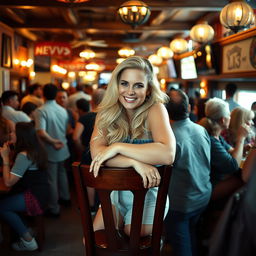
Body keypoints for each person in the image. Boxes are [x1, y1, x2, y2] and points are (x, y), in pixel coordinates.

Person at [90, 56, 176, 236]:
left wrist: (116, 147)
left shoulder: (155, 108)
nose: (130, 91)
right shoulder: (106, 113)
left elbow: (167, 154)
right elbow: (97, 154)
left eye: (138, 85)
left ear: (148, 88)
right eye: (124, 84)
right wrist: (134, 162)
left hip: (149, 195)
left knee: (132, 236)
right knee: (92, 240)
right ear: (116, 85)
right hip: (116, 194)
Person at [165, 89, 212, 256]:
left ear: (164, 111)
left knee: (182, 247)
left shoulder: (170, 139)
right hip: (203, 195)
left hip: (181, 203)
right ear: (189, 107)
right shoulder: (201, 129)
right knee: (191, 234)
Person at [0, 122, 48, 251]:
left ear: (21, 136)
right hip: (41, 192)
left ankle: (28, 240)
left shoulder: (24, 155)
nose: (11, 134)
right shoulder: (35, 148)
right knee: (7, 200)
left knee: (2, 207)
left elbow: (8, 182)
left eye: (14, 132)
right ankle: (27, 230)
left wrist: (4, 158)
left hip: (34, 196)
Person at [198, 98, 250, 197]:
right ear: (223, 120)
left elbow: (231, 151)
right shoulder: (211, 140)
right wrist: (241, 138)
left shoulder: (216, 136)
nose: (230, 117)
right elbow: (233, 165)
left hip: (213, 180)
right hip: (208, 186)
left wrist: (243, 149)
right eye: (229, 115)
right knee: (243, 180)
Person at [35, 83, 70, 217]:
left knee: (51, 179)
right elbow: (66, 129)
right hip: (63, 146)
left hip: (51, 148)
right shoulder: (62, 110)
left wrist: (53, 141)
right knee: (62, 174)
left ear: (43, 94)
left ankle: (54, 208)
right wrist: (58, 140)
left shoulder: (41, 110)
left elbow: (41, 132)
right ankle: (66, 198)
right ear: (56, 95)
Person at [73, 88, 105, 211]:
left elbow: (75, 137)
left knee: (89, 179)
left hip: (88, 152)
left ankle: (91, 207)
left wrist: (81, 149)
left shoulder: (85, 117)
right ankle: (104, 206)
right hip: (105, 153)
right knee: (104, 178)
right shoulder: (109, 117)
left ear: (92, 101)